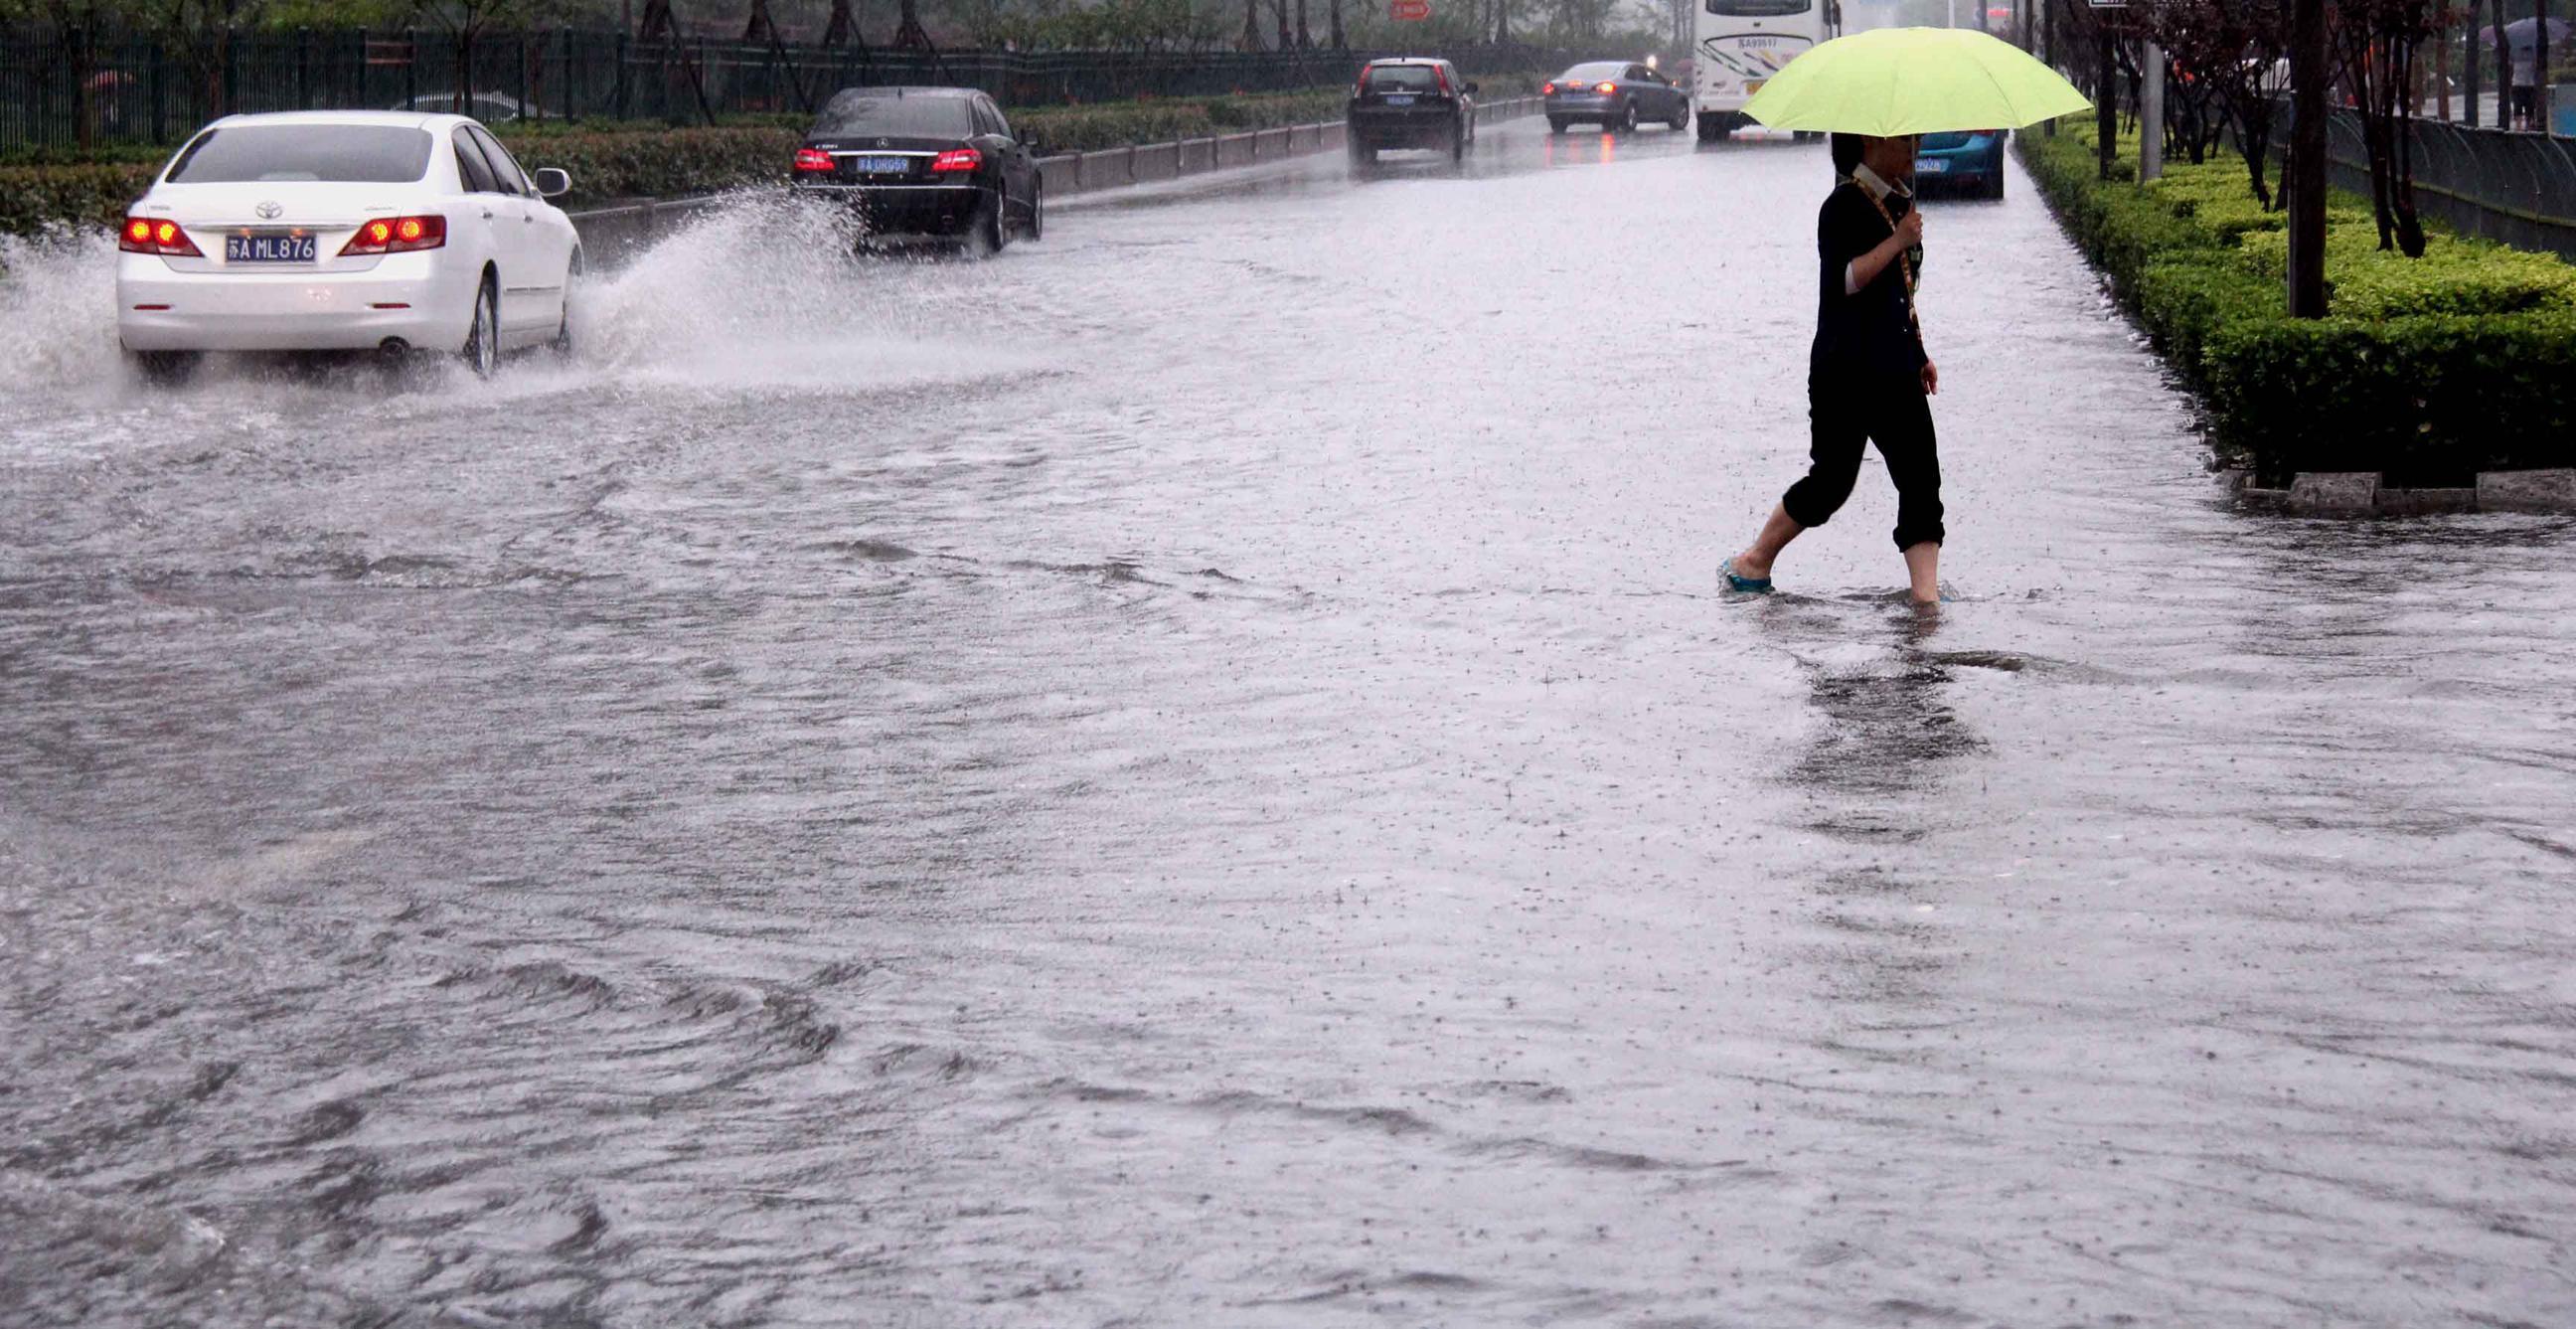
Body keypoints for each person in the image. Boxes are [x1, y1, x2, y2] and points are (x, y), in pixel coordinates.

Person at [1724, 131, 1944, 605]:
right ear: (1870, 140)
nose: (1914, 146)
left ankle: (1926, 601)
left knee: (1921, 477)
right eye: (1905, 138)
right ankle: (1754, 561)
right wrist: (1898, 240)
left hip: (1895, 367)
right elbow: (1844, 281)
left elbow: (1899, 292)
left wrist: (1918, 351)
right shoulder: (1842, 205)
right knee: (1832, 481)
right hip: (1845, 371)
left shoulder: (1899, 202)